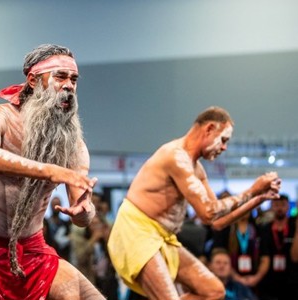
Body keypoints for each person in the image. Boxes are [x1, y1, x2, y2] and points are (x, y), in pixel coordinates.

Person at [0, 44, 104, 299]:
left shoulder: (74, 144)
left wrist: (84, 211)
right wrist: (51, 171)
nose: (69, 85)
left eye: (74, 79)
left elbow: (82, 214)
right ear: (33, 80)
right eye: (60, 76)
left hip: (32, 246)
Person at [107, 106, 281, 299]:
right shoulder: (175, 156)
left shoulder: (197, 169)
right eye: (223, 140)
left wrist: (258, 199)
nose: (224, 148)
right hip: (136, 233)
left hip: (162, 238)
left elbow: (216, 221)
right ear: (209, 129)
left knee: (214, 291)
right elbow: (209, 212)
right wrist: (253, 190)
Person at [257, 194, 298, 300]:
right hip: (269, 282)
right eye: (276, 205)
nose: (279, 208)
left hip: (292, 280)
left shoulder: (294, 227)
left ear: (288, 206)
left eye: (283, 205)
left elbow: (295, 257)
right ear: (271, 206)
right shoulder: (265, 229)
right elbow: (264, 257)